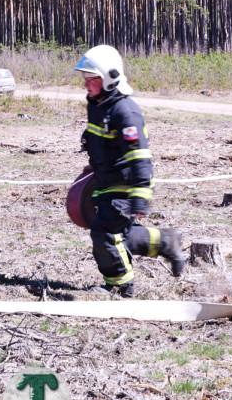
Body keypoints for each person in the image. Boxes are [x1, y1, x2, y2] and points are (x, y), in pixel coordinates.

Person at [75, 45, 184, 298]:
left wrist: (140, 198)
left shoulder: (125, 111)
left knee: (104, 233)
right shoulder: (99, 105)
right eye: (85, 79)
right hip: (105, 182)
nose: (86, 85)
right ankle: (167, 242)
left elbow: (140, 158)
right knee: (119, 235)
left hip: (124, 188)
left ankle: (121, 288)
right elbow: (103, 145)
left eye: (92, 79)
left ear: (110, 78)